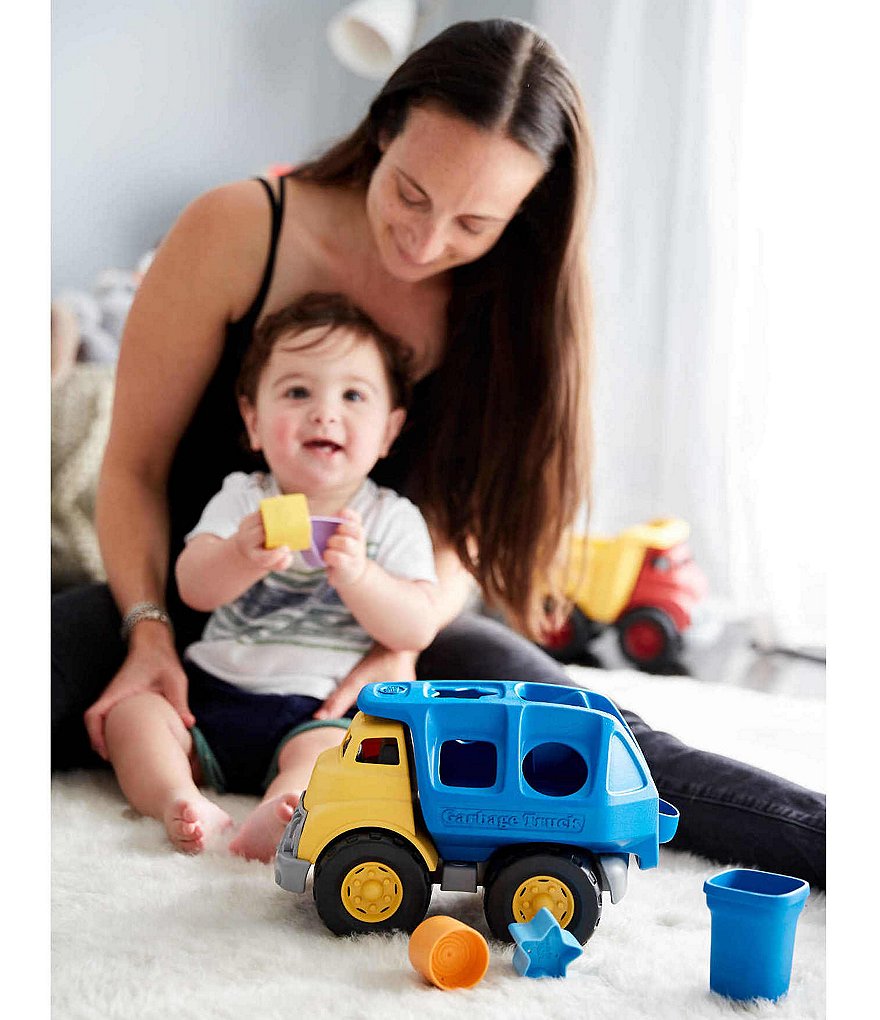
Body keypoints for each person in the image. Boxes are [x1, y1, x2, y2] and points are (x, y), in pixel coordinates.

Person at [52, 19, 825, 887]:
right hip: (186, 594)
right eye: (412, 194)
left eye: (474, 222)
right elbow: (133, 468)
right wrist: (147, 632)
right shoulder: (240, 228)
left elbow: (469, 525)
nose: (423, 244)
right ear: (384, 127)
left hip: (384, 614)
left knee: (597, 740)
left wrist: (400, 646)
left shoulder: (507, 302)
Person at [103, 292, 438, 859]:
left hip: (317, 708)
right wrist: (240, 554)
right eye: (297, 392)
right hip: (211, 693)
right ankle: (179, 798)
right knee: (131, 716)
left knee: (338, 759)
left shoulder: (392, 518)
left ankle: (283, 812)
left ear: (389, 431)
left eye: (353, 395)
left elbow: (417, 626)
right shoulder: (243, 498)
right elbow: (192, 588)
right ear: (254, 421)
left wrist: (359, 577)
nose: (324, 412)